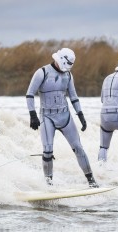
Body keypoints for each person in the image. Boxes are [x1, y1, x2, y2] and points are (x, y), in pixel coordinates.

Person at [25, 47, 99, 188]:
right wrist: (32, 114)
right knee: (47, 151)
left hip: (65, 116)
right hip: (47, 117)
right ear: (57, 59)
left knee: (78, 147)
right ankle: (49, 184)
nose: (65, 69)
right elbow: (29, 94)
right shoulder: (42, 72)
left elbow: (73, 97)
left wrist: (81, 115)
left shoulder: (68, 75)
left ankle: (91, 181)